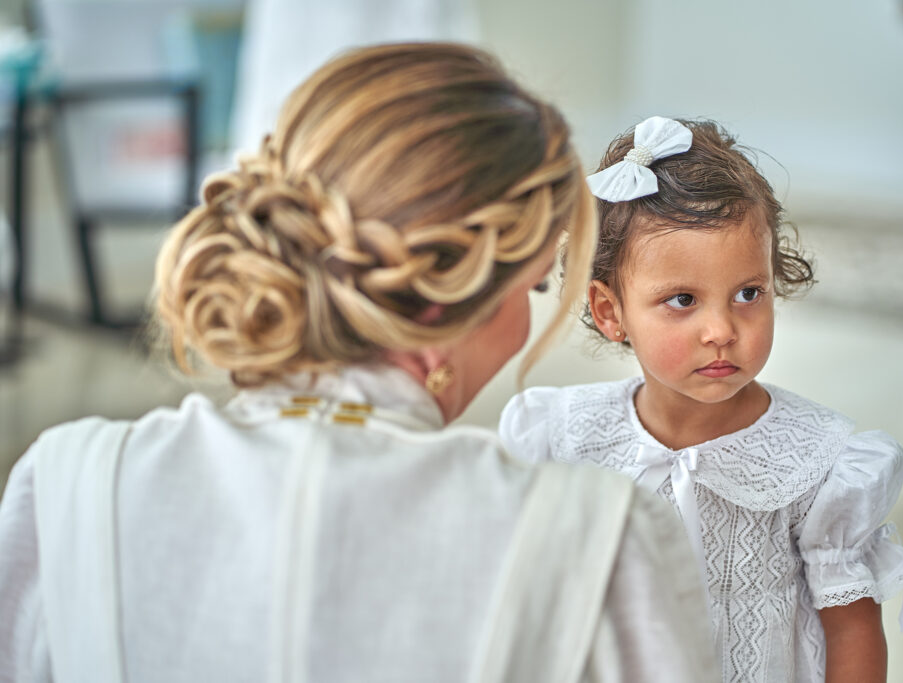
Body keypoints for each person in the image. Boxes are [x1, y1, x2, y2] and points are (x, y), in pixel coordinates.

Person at [0, 50, 719, 682]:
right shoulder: (597, 539)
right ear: (444, 297)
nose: (523, 323)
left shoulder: (63, 488)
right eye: (530, 287)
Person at [499, 116, 903, 682]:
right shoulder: (562, 437)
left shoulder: (821, 465)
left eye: (748, 293)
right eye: (682, 300)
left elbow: (850, 629)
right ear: (610, 312)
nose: (722, 330)